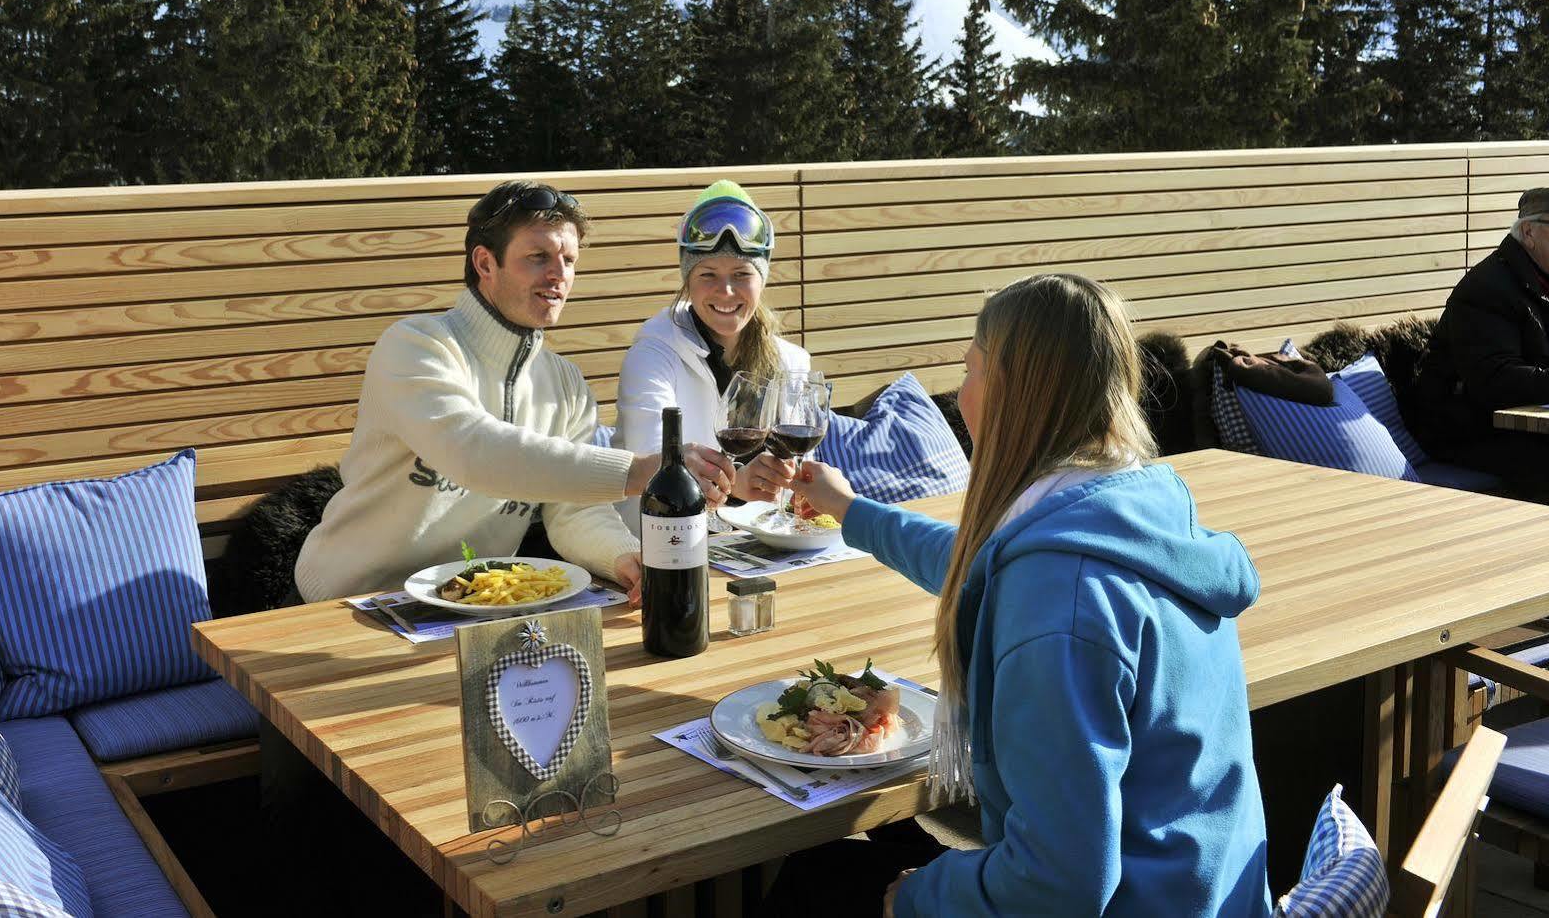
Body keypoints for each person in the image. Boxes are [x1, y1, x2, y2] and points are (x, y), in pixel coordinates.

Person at [757, 273, 1272, 918]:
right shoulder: (1128, 511)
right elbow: (979, 569)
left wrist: (916, 897)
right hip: (1208, 894)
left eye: (972, 368)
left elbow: (1058, 884)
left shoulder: (1061, 604)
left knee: (814, 884)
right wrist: (851, 510)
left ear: (1015, 393)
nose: (961, 393)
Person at [294, 178, 737, 603]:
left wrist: (623, 557)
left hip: (475, 606)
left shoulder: (566, 384)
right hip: (348, 601)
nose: (558, 275)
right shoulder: (416, 345)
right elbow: (470, 449)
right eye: (538, 257)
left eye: (569, 260)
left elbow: (575, 512)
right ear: (485, 263)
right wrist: (638, 471)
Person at [615, 181, 810, 525]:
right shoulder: (653, 355)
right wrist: (736, 485)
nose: (726, 290)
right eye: (708, 274)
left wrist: (799, 486)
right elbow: (655, 469)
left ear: (761, 280)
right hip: (662, 547)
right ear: (687, 280)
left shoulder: (791, 362)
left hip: (760, 546)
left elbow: (795, 485)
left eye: (741, 273)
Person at [1414, 188, 1549, 484]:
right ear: (1529, 232)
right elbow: (1496, 381)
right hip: (1465, 431)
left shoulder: (1540, 279)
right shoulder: (1487, 289)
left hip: (1520, 426)